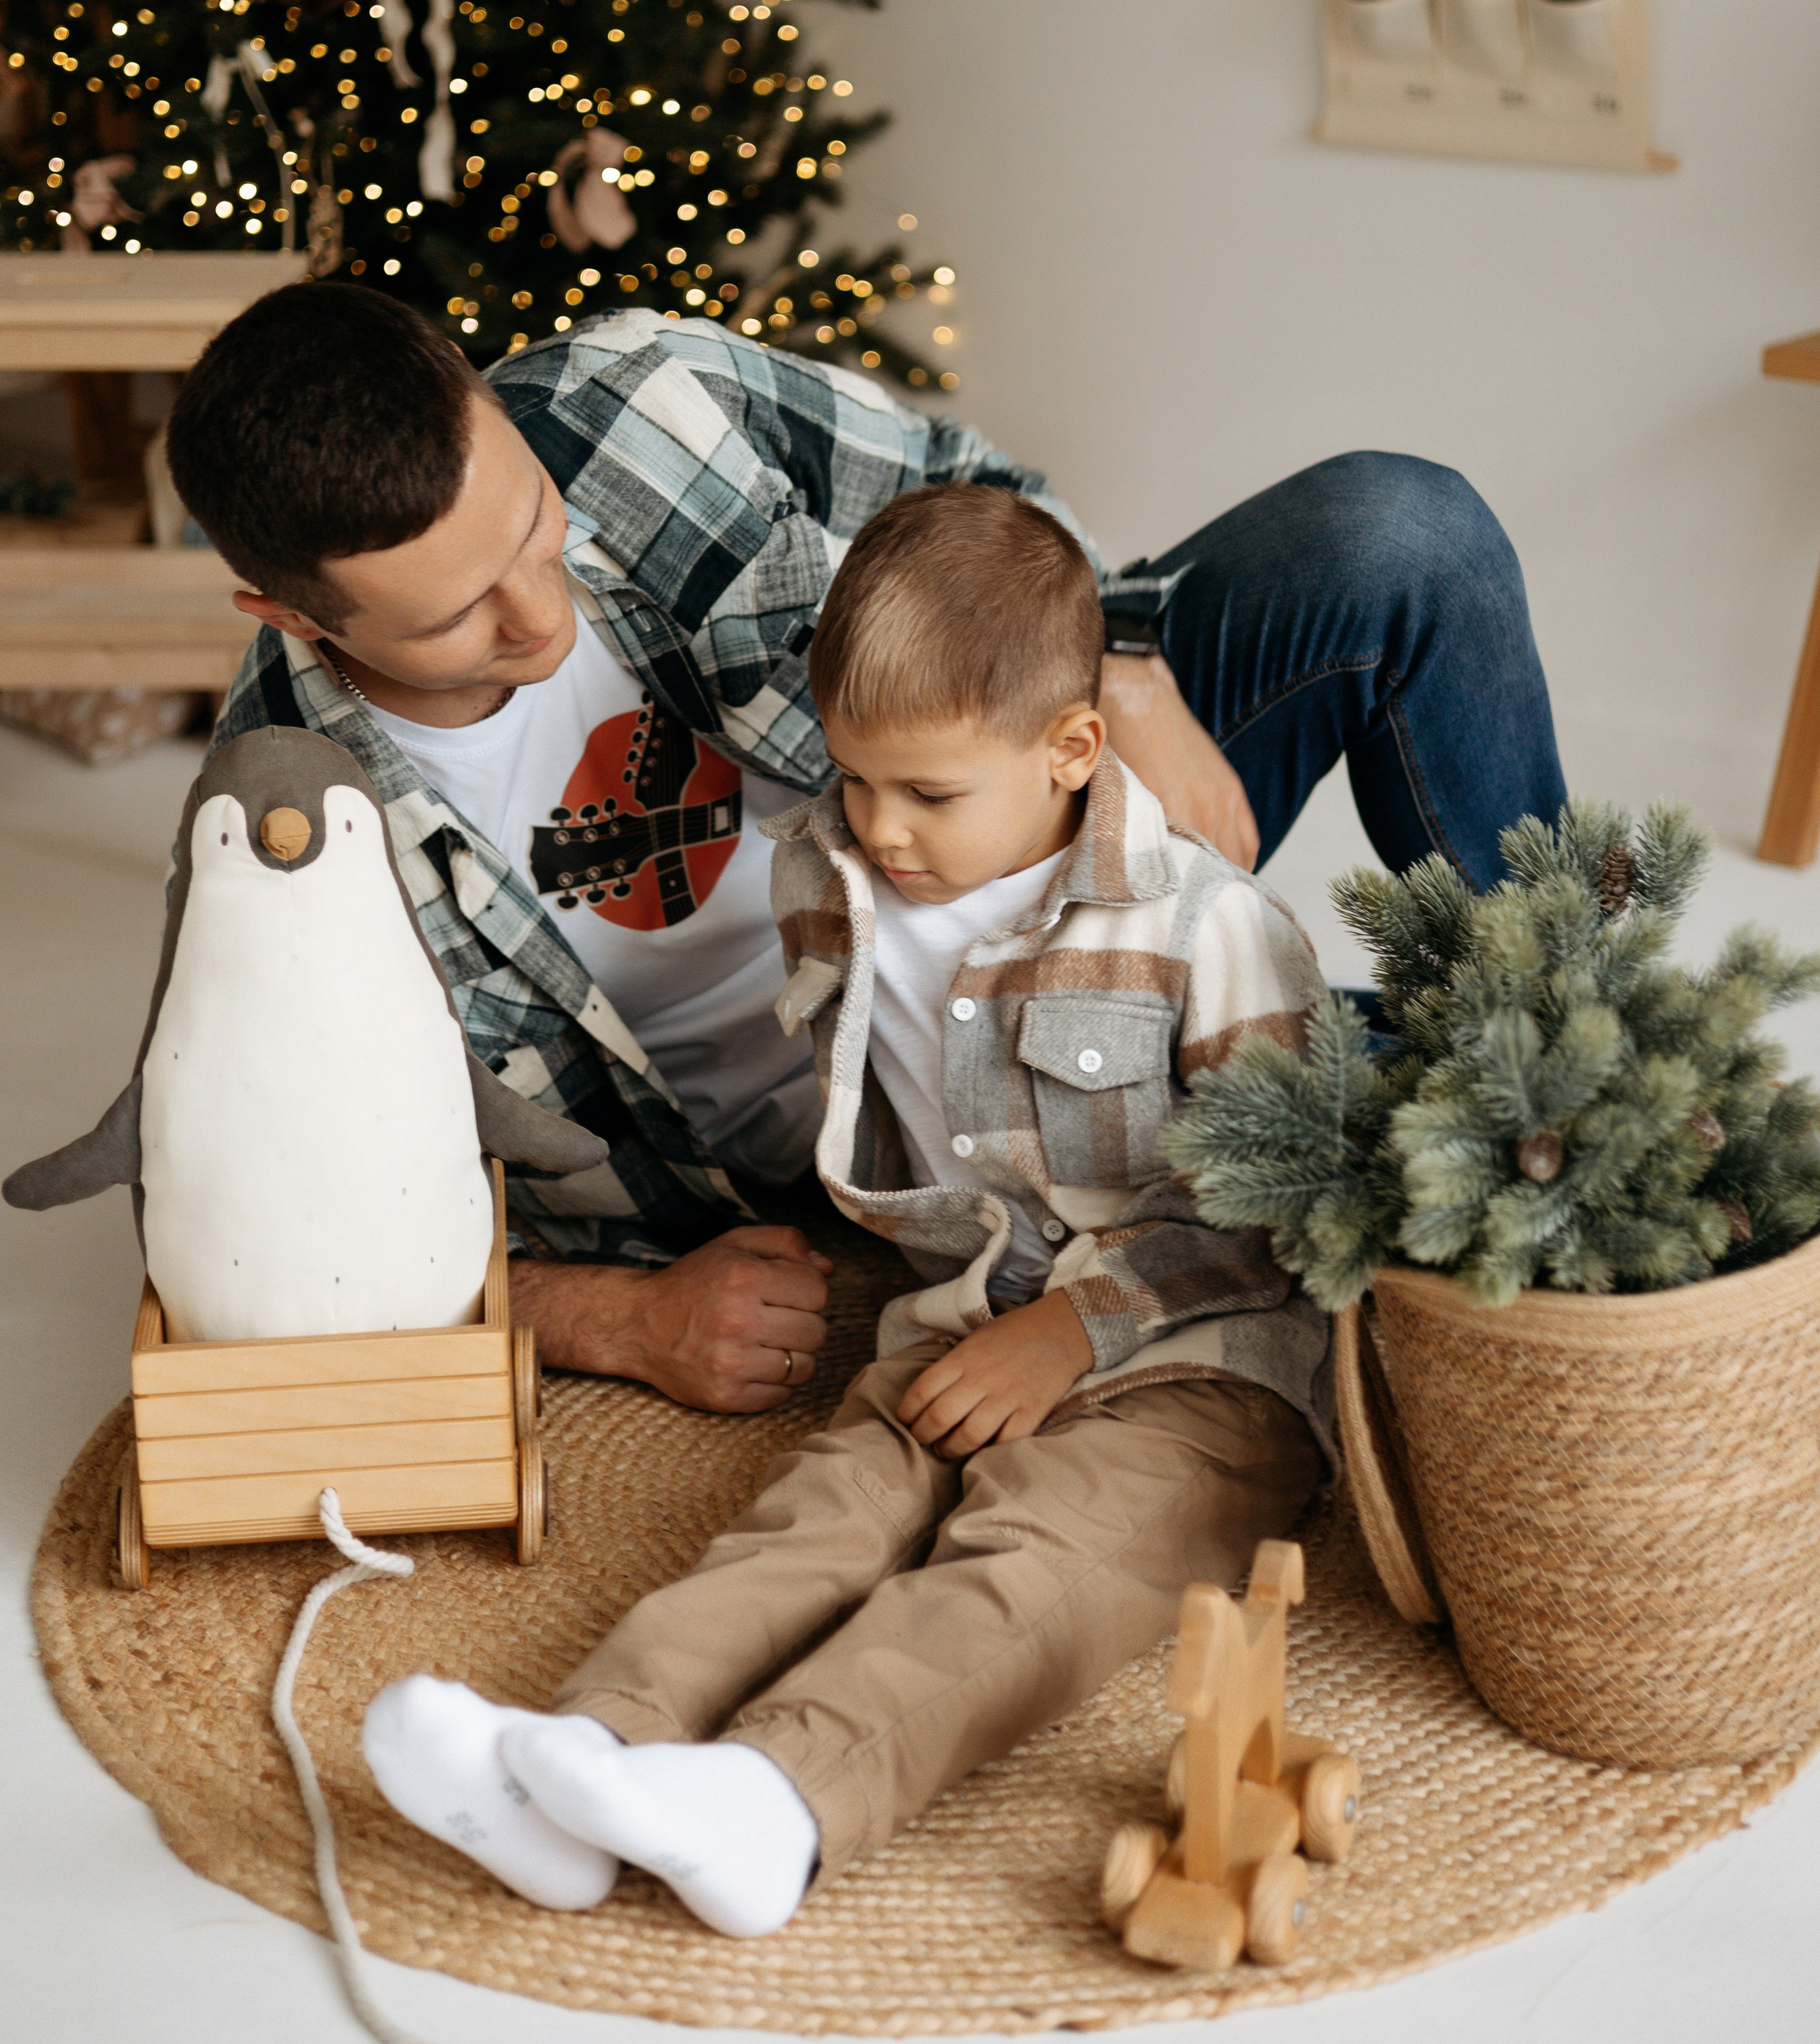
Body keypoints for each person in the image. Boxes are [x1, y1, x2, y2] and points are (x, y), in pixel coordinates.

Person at [164, 282, 1564, 1412]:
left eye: (536, 525)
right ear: (288, 615)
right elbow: (276, 1235)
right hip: (889, 1141)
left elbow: (974, 494)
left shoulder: (637, 401)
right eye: (457, 618)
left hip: (1051, 871)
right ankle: (1452, 1113)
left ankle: (1597, 1083)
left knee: (1404, 531)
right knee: (1362, 1109)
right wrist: (622, 1319)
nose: (543, 619)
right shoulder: (284, 831)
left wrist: (1126, 672)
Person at [361, 484, 1331, 1932]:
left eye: (928, 796)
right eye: (855, 779)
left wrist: (1073, 1331)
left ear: (1073, 749)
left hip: (1200, 1359)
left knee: (1034, 1559)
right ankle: (584, 1756)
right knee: (820, 1514)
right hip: (960, 1307)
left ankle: (777, 1803)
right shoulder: (826, 869)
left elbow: (1281, 1211)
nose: (878, 828)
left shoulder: (1210, 933)